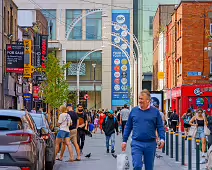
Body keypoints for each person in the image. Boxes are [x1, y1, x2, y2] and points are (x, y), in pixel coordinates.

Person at [122, 89, 165, 170]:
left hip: (150, 144)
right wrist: (124, 141)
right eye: (139, 98)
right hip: (136, 143)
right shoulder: (134, 111)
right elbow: (128, 126)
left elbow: (160, 127)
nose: (140, 101)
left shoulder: (155, 112)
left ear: (148, 100)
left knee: (149, 168)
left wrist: (162, 139)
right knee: (137, 165)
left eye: (142, 99)